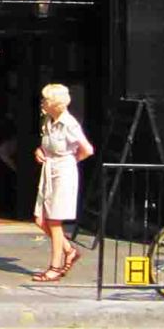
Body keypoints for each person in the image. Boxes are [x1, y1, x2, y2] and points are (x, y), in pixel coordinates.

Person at [31, 83, 94, 283]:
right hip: (49, 170)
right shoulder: (48, 121)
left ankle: (55, 267)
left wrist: (71, 160)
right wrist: (40, 151)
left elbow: (87, 149)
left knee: (54, 221)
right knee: (40, 219)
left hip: (63, 171)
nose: (42, 102)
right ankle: (70, 251)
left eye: (46, 99)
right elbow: (45, 146)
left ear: (55, 103)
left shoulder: (69, 124)